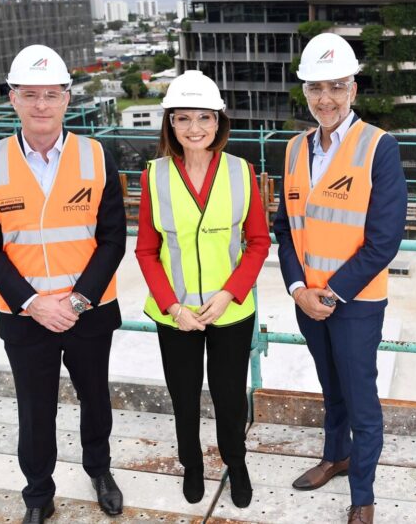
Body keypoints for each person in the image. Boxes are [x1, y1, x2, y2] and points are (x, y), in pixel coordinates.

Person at [0, 44, 126, 523]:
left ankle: (99, 470)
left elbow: (113, 238)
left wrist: (76, 302)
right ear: (12, 98)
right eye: (30, 94)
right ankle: (38, 495)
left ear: (67, 99)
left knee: (95, 398)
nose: (42, 105)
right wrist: (34, 303)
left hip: (89, 310)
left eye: (52, 95)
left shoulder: (96, 156)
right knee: (35, 411)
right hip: (26, 317)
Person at [273, 33, 408, 524]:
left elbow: (383, 240)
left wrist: (329, 293)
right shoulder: (293, 149)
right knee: (330, 387)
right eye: (315, 88)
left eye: (335, 86)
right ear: (304, 92)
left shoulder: (378, 148)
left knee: (361, 399)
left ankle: (363, 497)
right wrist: (298, 290)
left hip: (355, 302)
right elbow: (285, 228)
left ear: (353, 88)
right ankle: (335, 455)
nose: (324, 98)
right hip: (308, 299)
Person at [134, 70, 269, 509]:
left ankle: (236, 462)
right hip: (176, 315)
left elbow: (259, 242)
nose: (195, 128)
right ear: (170, 123)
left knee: (230, 400)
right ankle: (192, 465)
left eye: (204, 118)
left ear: (219, 122)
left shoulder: (242, 172)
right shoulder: (154, 176)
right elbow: (147, 251)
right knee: (184, 396)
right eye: (184, 118)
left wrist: (229, 292)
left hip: (229, 310)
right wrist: (173, 306)